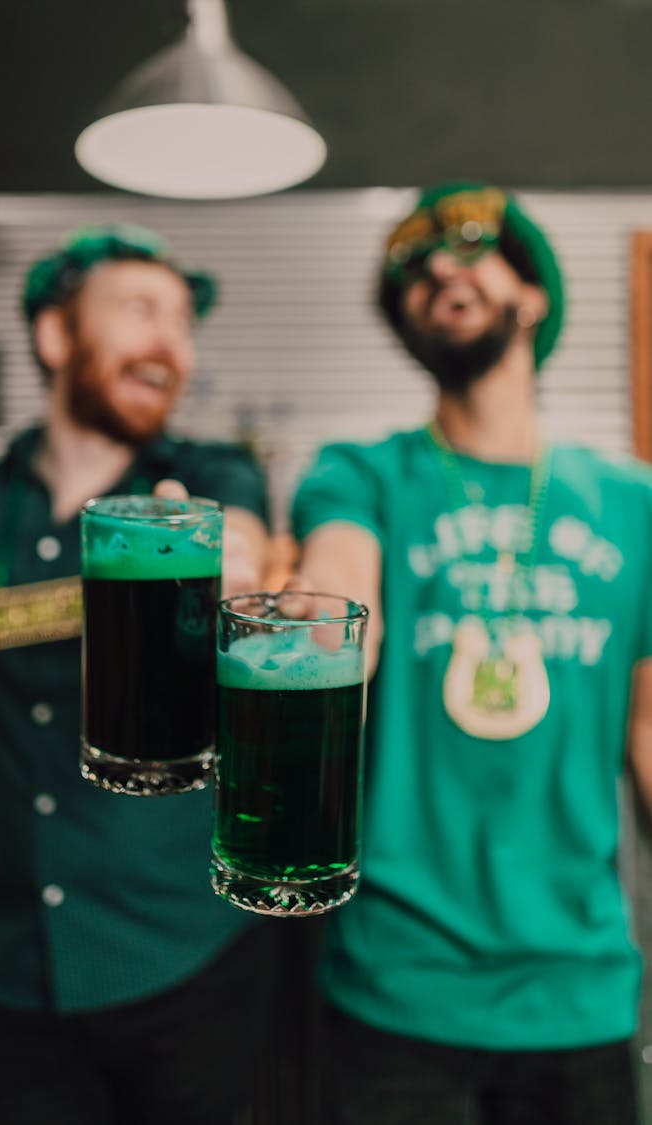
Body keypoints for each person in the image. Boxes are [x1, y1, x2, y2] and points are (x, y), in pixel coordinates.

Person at [290, 182, 652, 1124]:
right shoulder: (358, 473)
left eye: (468, 248)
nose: (438, 270)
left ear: (532, 294)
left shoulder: (635, 503)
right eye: (410, 267)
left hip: (579, 987)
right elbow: (341, 581)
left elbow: (651, 725)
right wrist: (313, 617)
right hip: (398, 985)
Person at [0, 224, 272, 1125]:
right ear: (57, 336)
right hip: (12, 970)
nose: (171, 343)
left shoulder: (208, 477)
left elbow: (248, 562)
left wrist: (217, 564)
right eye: (142, 311)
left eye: (185, 323)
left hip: (187, 960)